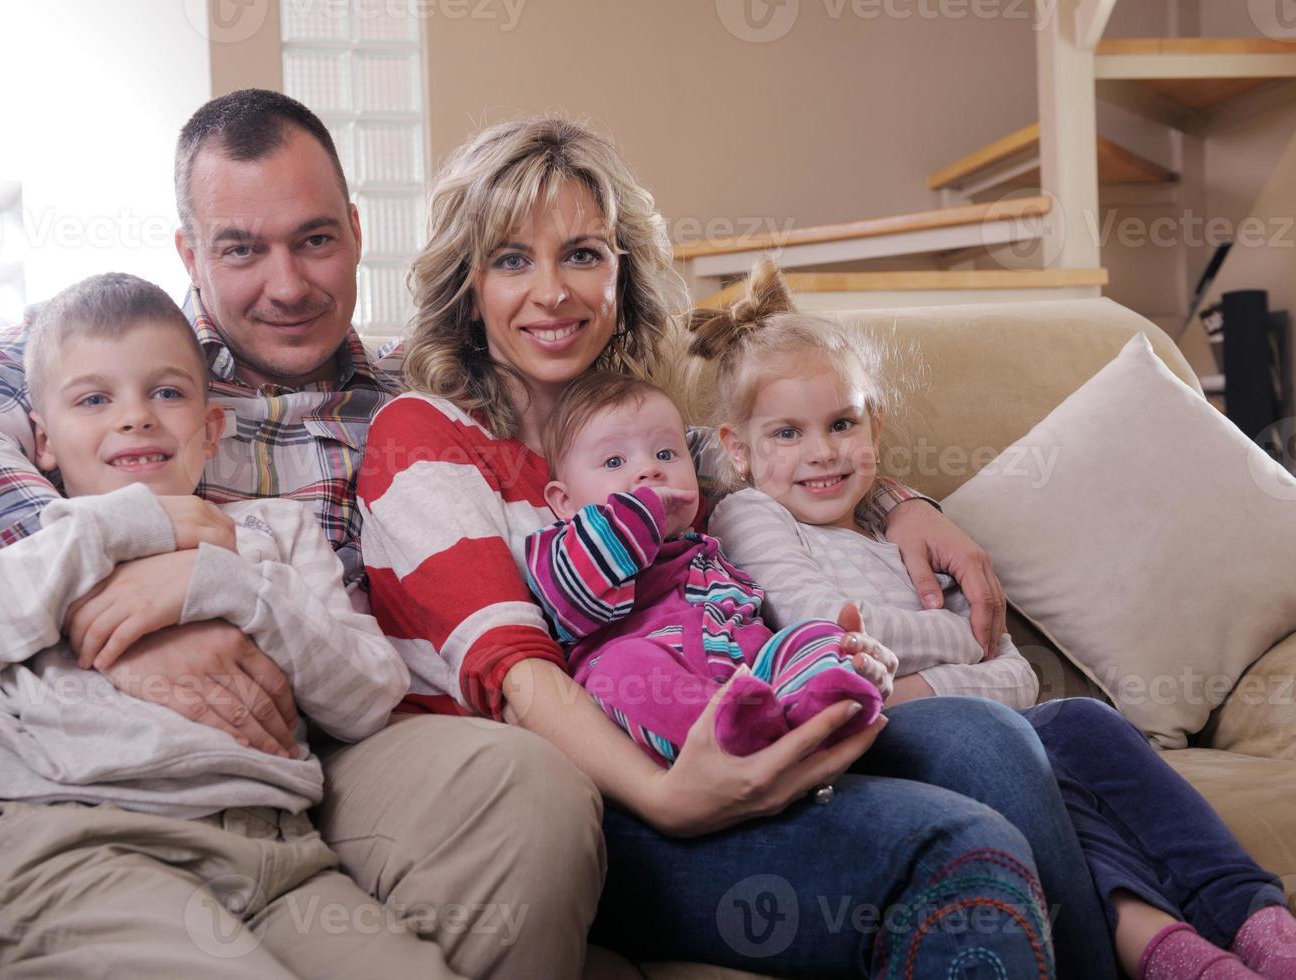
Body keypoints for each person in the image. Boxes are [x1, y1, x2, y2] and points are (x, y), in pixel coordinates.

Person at [0, 90, 603, 980]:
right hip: (77, 784)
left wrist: (220, 588)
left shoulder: (418, 396)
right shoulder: (104, 347)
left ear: (355, 232)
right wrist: (112, 590)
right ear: (189, 252)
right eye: (241, 249)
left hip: (314, 765)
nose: (286, 286)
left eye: (314, 239)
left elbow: (612, 450)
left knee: (528, 787)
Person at [356, 113, 1121, 977]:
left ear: (623, 274)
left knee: (989, 739)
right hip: (600, 801)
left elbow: (798, 469)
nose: (553, 292)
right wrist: (672, 797)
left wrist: (908, 506)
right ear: (466, 284)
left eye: (583, 254)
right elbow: (516, 671)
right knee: (957, 849)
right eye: (510, 259)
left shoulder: (659, 441)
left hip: (744, 727)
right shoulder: (421, 434)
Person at [0, 272, 472, 977]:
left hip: (284, 858)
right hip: (85, 850)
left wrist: (232, 586)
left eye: (168, 392)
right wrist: (112, 531)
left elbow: (367, 698)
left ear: (211, 431)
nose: (136, 418)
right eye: (94, 398)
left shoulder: (272, 535)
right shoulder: (29, 550)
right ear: (43, 441)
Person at [704, 259, 1296, 980]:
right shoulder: (752, 513)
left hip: (938, 714)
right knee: (1018, 756)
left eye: (842, 423)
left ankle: (1255, 927)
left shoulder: (904, 535)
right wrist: (962, 647)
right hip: (871, 747)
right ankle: (1180, 955)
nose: (822, 451)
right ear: (737, 448)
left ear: (875, 421)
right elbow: (825, 624)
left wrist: (918, 686)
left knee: (1082, 726)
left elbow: (1015, 672)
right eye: (787, 434)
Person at [523, 370, 883, 765]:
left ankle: (823, 707)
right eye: (614, 461)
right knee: (623, 667)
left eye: (665, 455)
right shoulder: (565, 548)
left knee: (816, 633)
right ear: (563, 500)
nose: (650, 470)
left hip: (751, 683)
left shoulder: (710, 549)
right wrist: (642, 510)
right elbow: (576, 589)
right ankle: (731, 737)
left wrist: (828, 649)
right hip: (657, 701)